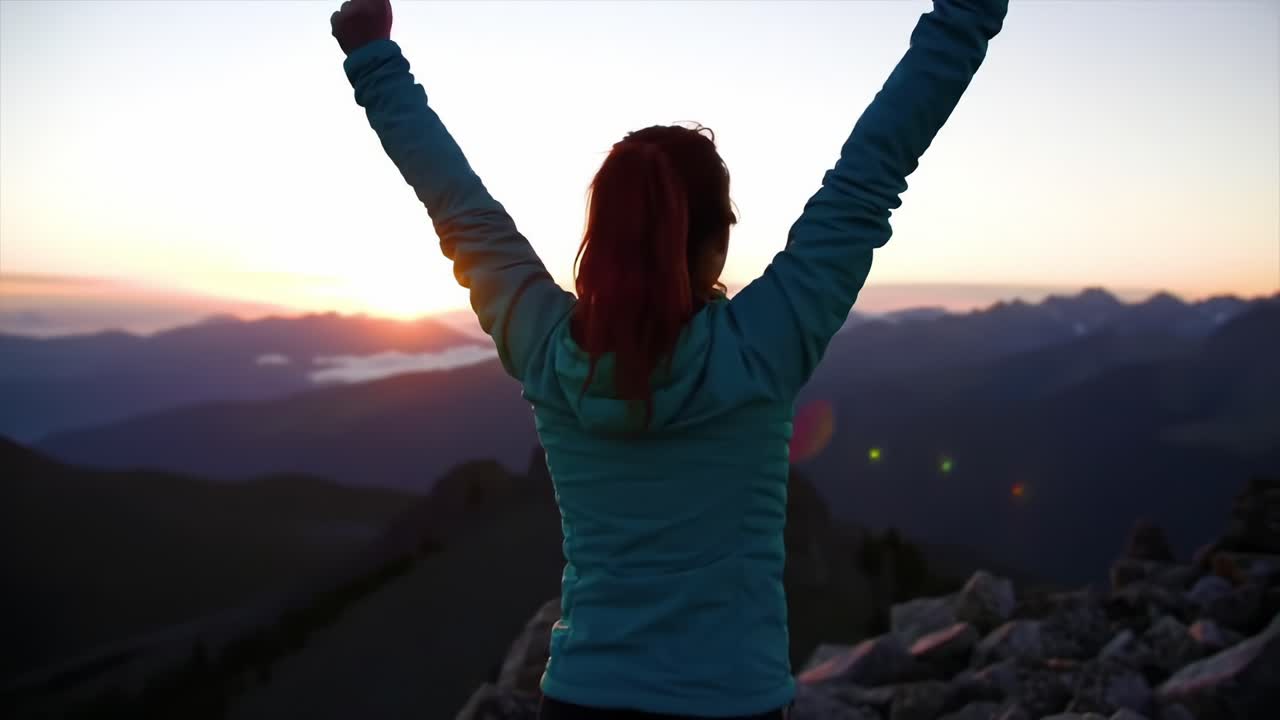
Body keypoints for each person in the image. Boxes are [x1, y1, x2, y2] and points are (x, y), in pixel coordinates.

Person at [330, 0, 1007, 717]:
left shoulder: (546, 346)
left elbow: (456, 205)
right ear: (714, 243)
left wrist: (372, 55)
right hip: (732, 704)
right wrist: (968, 13)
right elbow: (872, 169)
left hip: (582, 699)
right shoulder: (761, 347)